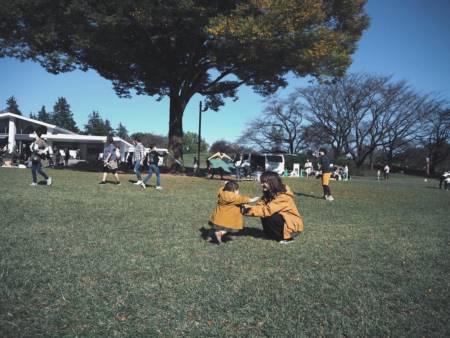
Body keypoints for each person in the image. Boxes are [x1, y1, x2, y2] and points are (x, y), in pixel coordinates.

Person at [243, 171, 304, 244]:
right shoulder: (269, 193)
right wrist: (246, 207)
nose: (262, 184)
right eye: (261, 182)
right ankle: (271, 234)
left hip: (292, 226)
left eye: (264, 182)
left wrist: (246, 210)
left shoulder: (283, 196)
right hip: (284, 221)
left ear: (272, 182)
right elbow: (260, 206)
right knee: (264, 214)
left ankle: (287, 238)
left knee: (271, 216)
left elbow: (267, 210)